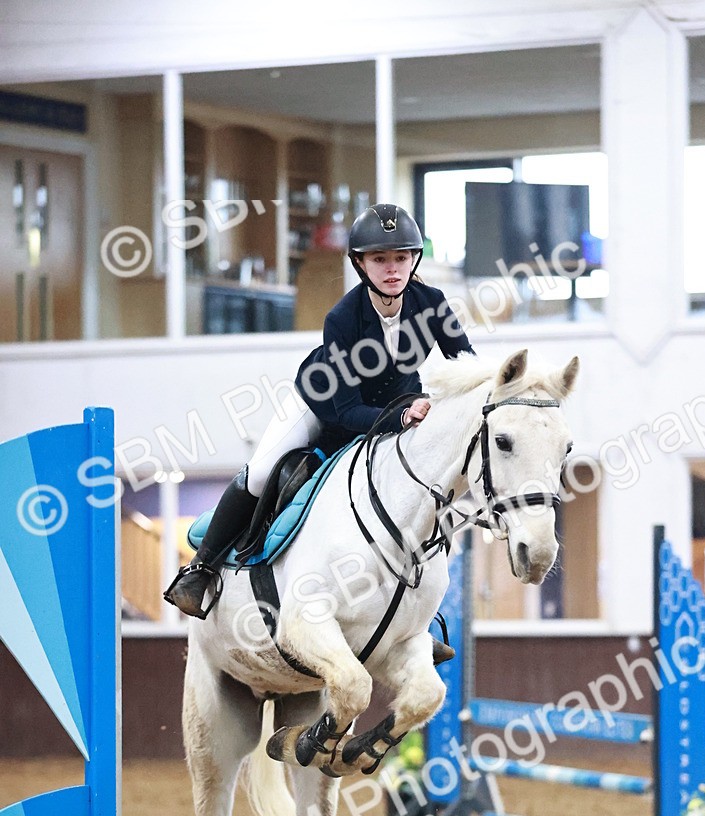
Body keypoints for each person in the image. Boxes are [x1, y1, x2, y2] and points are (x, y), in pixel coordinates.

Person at [164, 203, 475, 642]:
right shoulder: (343, 319)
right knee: (262, 473)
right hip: (323, 406)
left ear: (414, 260)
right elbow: (346, 412)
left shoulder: (432, 303)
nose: (392, 269)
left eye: (401, 257)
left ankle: (416, 621)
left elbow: (466, 367)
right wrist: (403, 416)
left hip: (399, 408)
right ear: (360, 264)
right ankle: (202, 569)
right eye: (380, 260)